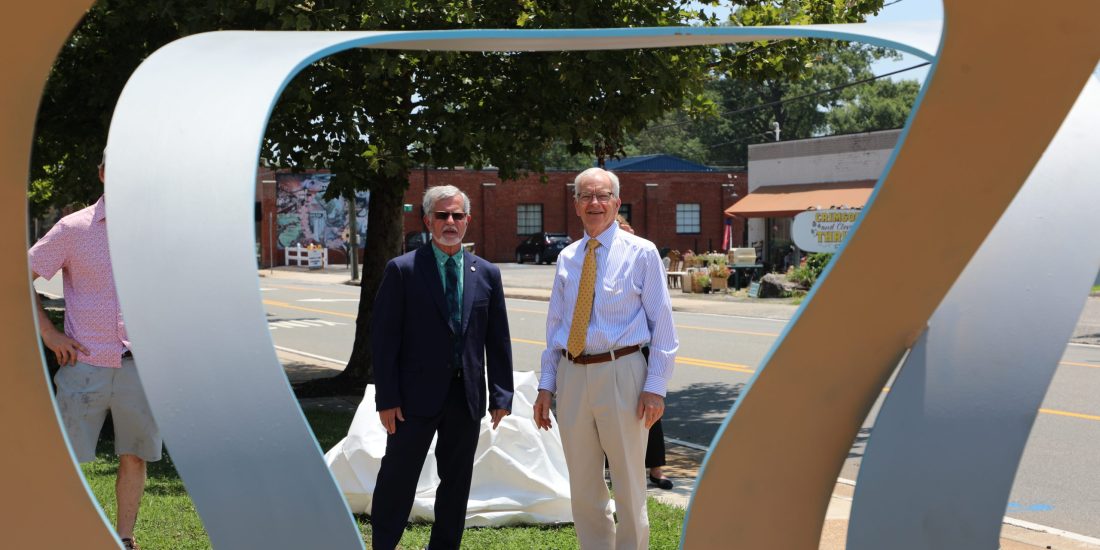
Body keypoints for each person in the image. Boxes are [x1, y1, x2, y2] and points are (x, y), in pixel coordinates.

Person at [534, 168, 678, 549]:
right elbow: (556, 328)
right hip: (572, 375)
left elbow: (663, 326)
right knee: (583, 486)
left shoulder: (642, 253)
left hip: (623, 372)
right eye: (585, 196)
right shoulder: (567, 257)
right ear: (576, 204)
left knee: (630, 483)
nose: (594, 203)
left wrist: (655, 388)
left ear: (616, 202)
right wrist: (546, 386)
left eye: (602, 196)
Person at [28, 153, 162, 550]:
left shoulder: (154, 232)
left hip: (140, 368)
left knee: (134, 457)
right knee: (67, 460)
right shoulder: (73, 228)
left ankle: (124, 538)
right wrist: (49, 334)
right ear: (102, 173)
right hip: (83, 365)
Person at [370, 185, 514, 550]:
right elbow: (384, 341)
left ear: (467, 220)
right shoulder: (402, 270)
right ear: (427, 220)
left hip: (465, 398)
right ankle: (383, 544)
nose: (450, 222)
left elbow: (497, 339)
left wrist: (501, 394)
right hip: (411, 400)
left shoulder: (487, 273)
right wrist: (387, 398)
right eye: (441, 215)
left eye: (457, 215)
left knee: (456, 482)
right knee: (397, 478)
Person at [614, 214, 673, 491]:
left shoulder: (643, 253)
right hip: (609, 355)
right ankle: (617, 470)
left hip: (641, 352)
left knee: (650, 414)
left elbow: (660, 317)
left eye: (626, 228)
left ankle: (656, 469)